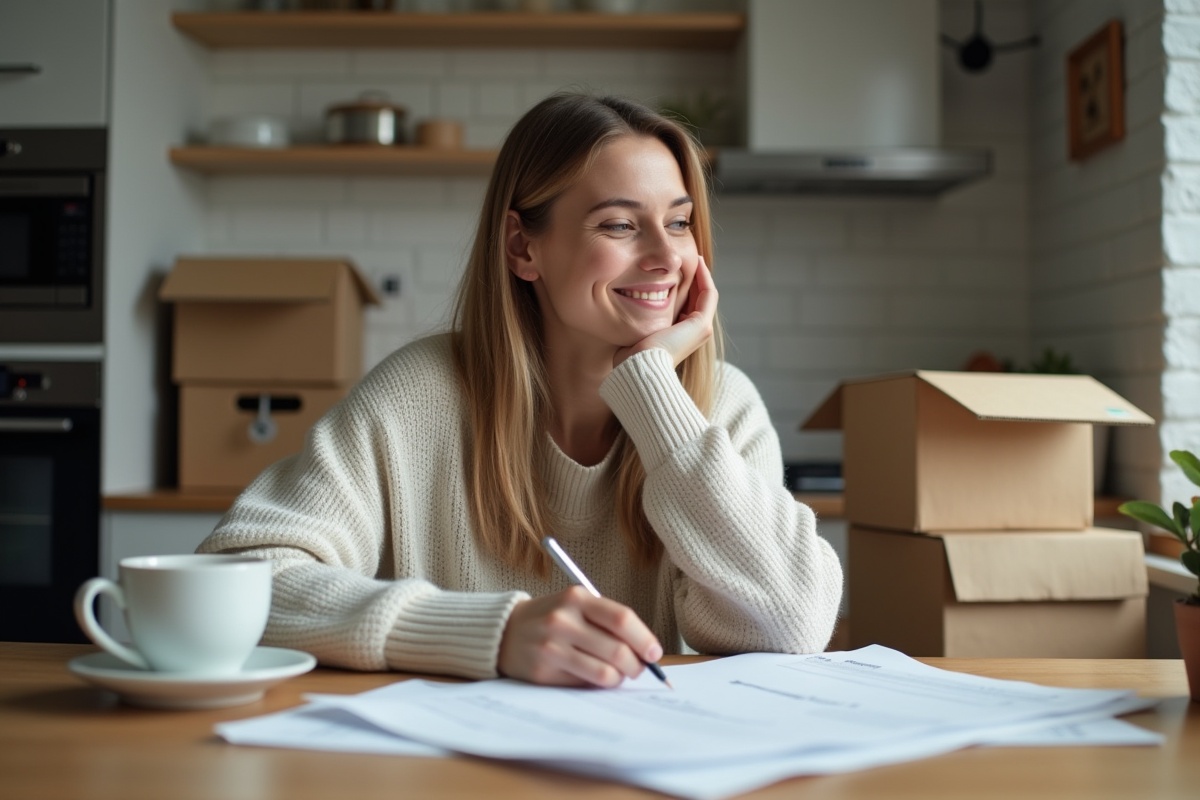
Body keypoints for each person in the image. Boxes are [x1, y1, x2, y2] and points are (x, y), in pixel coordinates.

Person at [197, 93, 843, 688]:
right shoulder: (417, 396)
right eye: (620, 226)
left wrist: (651, 387)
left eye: (678, 223)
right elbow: (237, 584)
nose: (666, 257)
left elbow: (791, 627)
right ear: (522, 247)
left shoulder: (719, 405)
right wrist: (492, 634)